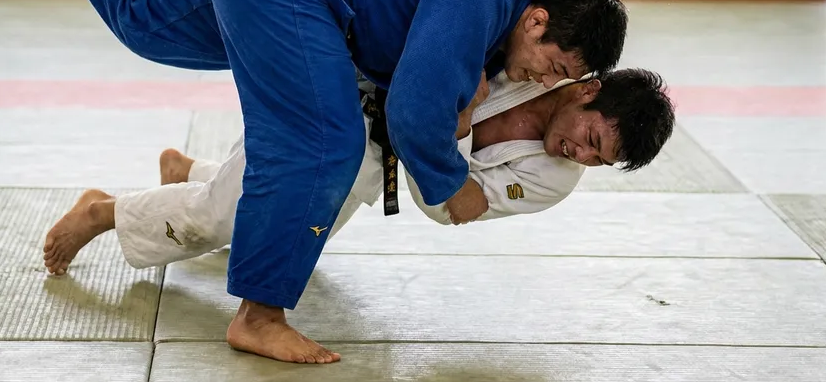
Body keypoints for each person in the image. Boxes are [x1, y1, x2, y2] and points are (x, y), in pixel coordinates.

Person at [0, 0, 628, 365]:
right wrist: (448, 180)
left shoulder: (528, 3)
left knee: (146, 20)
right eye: (553, 66)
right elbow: (412, 112)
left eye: (561, 80)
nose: (545, 79)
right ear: (538, 18)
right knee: (325, 140)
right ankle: (259, 317)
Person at [45, 68, 674, 284]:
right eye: (591, 139)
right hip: (352, 100)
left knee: (274, 238)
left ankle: (194, 173)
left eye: (599, 160)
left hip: (380, 167)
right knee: (227, 220)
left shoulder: (558, 181)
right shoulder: (540, 56)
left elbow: (452, 208)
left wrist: (451, 122)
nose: (579, 156)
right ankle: (105, 210)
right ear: (586, 88)